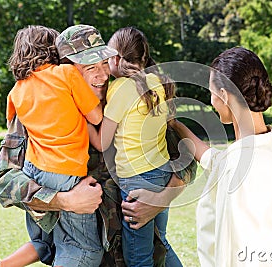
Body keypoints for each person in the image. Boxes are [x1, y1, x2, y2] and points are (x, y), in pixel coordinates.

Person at [0, 25, 188, 267]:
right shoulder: (40, 117)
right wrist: (63, 200)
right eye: (89, 68)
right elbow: (3, 181)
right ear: (66, 70)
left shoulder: (127, 96)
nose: (101, 76)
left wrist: (159, 200)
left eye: (103, 64)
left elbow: (183, 158)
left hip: (142, 256)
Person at [169, 47, 272, 266]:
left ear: (224, 95)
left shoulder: (238, 167)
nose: (211, 102)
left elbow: (234, 248)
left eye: (211, 93)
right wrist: (176, 125)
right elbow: (214, 160)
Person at [88, 27, 182, 267]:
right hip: (162, 173)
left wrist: (81, 116)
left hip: (136, 180)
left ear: (117, 59)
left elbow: (101, 142)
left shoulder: (120, 88)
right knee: (160, 243)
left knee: (137, 257)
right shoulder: (158, 82)